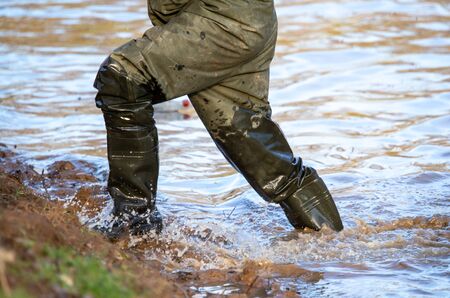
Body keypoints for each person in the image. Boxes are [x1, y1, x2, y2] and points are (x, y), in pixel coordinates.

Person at [93, 0, 343, 239]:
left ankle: (132, 222)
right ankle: (337, 248)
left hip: (221, 20)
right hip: (240, 20)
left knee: (123, 78)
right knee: (260, 155)